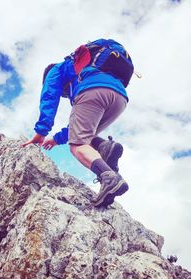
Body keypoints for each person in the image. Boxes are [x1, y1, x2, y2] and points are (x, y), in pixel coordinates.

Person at [22, 39, 131, 207]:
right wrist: (57, 139)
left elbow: (49, 96)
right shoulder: (85, 72)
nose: (65, 95)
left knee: (77, 146)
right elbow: (77, 128)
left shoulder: (56, 70)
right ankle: (104, 147)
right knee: (86, 135)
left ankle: (109, 178)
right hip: (120, 98)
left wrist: (41, 133)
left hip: (94, 91)